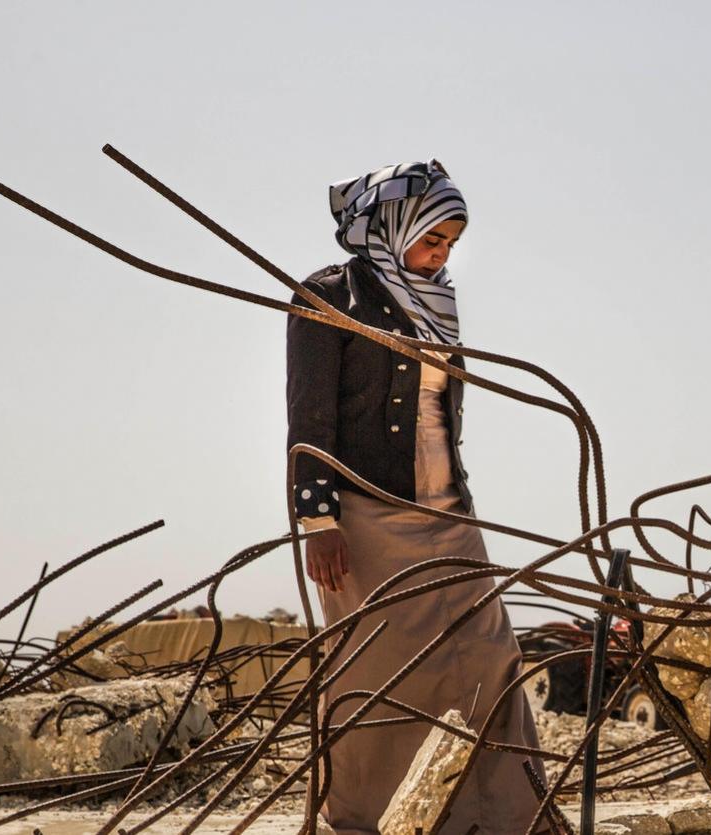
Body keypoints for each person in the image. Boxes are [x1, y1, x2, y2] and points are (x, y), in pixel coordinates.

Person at [286, 160, 546, 835]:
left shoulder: (439, 304)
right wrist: (318, 518)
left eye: (450, 245)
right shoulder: (327, 297)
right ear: (395, 227)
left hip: (446, 509)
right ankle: (364, 819)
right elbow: (309, 420)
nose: (440, 256)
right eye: (433, 240)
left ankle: (507, 816)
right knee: (374, 668)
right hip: (363, 511)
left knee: (487, 654)